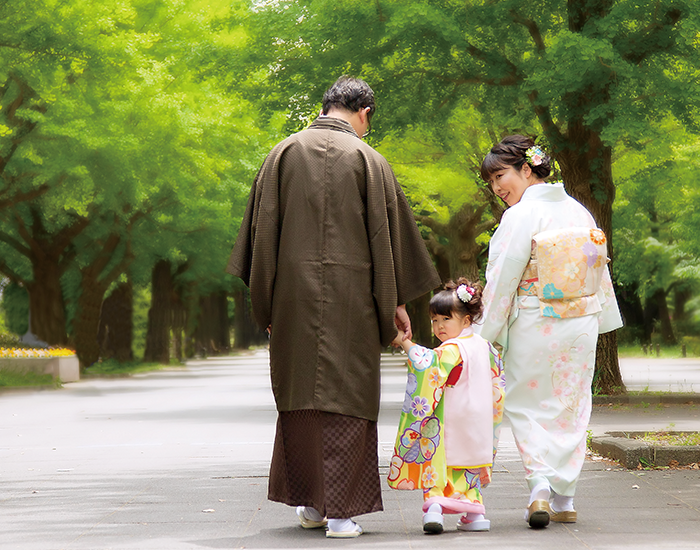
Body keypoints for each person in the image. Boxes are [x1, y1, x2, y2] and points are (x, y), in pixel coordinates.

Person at [226, 76, 440, 538]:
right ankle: (342, 513)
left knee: (301, 392)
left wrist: (264, 307)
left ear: (326, 106)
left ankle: (310, 505)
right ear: (364, 112)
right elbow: (387, 244)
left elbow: (262, 241)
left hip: (292, 300)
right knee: (349, 395)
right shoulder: (370, 160)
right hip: (355, 303)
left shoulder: (281, 154)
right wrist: (395, 304)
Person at [476, 135, 623, 529]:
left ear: (527, 169)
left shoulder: (521, 216)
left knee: (527, 403)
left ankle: (540, 486)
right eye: (491, 181)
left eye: (501, 176)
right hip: (581, 324)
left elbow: (503, 276)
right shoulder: (580, 212)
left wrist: (485, 331)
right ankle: (566, 497)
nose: (497, 188)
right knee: (571, 406)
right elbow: (597, 268)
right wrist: (603, 316)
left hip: (534, 319)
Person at [388, 279, 504, 534]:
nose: (439, 326)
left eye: (445, 319)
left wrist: (405, 343)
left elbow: (428, 365)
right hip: (479, 419)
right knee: (470, 463)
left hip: (451, 417)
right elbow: (498, 379)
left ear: (466, 320)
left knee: (441, 462)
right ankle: (473, 513)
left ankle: (435, 510)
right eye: (435, 320)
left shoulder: (452, 349)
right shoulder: (485, 347)